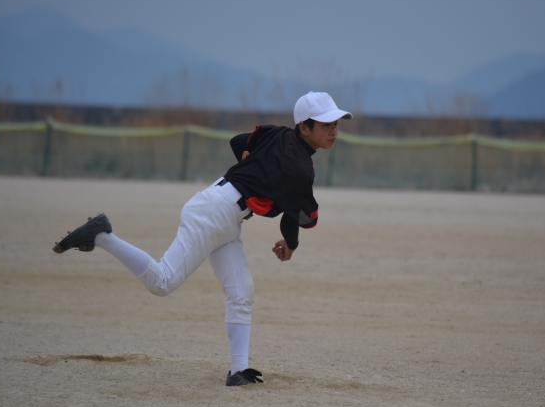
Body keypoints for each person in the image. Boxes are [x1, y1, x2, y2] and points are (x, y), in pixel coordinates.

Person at [52, 92, 352, 386]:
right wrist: (291, 245)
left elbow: (238, 142)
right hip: (215, 213)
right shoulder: (300, 166)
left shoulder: (279, 135)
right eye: (326, 124)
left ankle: (238, 371)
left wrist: (250, 166)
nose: (334, 131)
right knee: (162, 282)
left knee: (242, 292)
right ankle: (102, 236)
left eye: (336, 124)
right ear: (304, 127)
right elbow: (295, 216)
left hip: (224, 213)